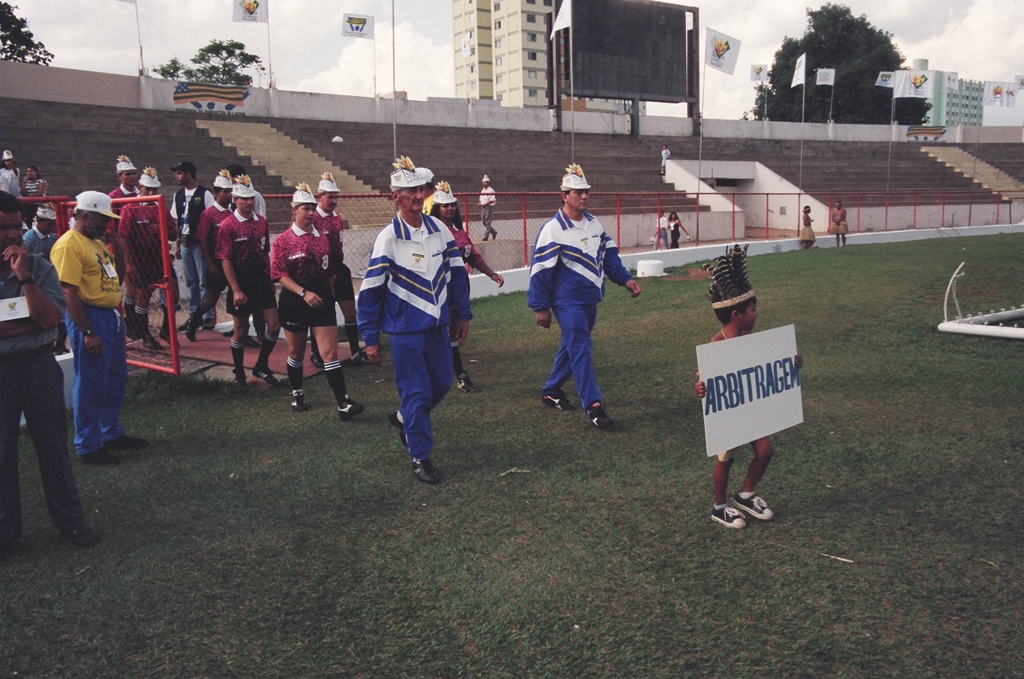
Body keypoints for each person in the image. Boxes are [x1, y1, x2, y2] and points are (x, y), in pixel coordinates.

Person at [357, 157, 472, 485]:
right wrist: (369, 337)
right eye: (410, 191)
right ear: (395, 196)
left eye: (420, 189)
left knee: (442, 383)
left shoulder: (440, 230)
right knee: (417, 392)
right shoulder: (388, 239)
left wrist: (461, 313)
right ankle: (420, 455)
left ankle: (403, 418)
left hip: (437, 328)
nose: (418, 195)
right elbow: (371, 292)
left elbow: (456, 275)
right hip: (405, 331)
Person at [0, 190, 98, 556]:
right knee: (2, 451)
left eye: (16, 227)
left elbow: (50, 320)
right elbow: (32, 321)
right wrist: (25, 322)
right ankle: (6, 533)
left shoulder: (38, 267)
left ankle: (70, 521)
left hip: (38, 365)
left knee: (53, 447)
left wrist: (24, 278)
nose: (12, 235)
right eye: (3, 228)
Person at [694, 244, 802, 529]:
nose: (756, 314)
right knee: (726, 460)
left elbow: (767, 368)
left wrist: (791, 364)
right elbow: (704, 379)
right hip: (730, 413)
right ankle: (720, 508)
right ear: (736, 315)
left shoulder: (755, 341)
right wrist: (701, 389)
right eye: (753, 310)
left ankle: (746, 494)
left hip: (752, 408)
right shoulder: (717, 345)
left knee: (765, 451)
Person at [527, 164, 641, 429]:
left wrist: (625, 279)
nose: (584, 196)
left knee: (572, 345)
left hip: (590, 301)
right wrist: (540, 307)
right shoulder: (552, 229)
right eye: (577, 192)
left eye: (586, 192)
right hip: (567, 303)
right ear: (564, 196)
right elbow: (540, 272)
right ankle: (593, 407)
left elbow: (609, 256)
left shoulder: (593, 223)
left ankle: (551, 390)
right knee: (581, 348)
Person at [50, 191, 149, 465]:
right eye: (103, 220)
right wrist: (87, 331)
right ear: (84, 217)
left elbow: (115, 276)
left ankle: (110, 431)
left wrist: (118, 245)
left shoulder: (95, 242)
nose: (107, 225)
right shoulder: (70, 245)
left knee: (115, 376)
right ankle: (88, 444)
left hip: (109, 315)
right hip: (89, 316)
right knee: (91, 380)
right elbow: (68, 291)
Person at [271, 183, 364, 419]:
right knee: (297, 352)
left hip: (321, 298)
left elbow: (328, 268)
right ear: (294, 210)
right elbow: (279, 274)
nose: (311, 213)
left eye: (313, 208)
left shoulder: (322, 236)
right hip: (295, 300)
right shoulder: (283, 240)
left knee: (329, 353)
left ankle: (343, 403)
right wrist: (303, 293)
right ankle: (297, 391)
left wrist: (328, 292)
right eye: (305, 208)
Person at [430, 180, 504, 393]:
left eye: (452, 204)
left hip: (459, 286)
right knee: (442, 331)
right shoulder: (431, 231)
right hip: (439, 288)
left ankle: (456, 373)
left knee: (453, 329)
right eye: (445, 205)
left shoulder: (459, 232)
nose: (450, 208)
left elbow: (473, 256)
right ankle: (459, 374)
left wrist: (491, 274)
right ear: (437, 208)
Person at [215, 175, 281, 385]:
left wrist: (270, 276)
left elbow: (265, 251)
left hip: (260, 279)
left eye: (251, 198)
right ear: (235, 200)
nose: (249, 202)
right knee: (241, 330)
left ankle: (261, 365)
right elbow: (225, 259)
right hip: (241, 281)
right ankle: (239, 372)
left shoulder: (261, 222)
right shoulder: (228, 225)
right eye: (244, 199)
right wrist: (235, 289)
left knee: (273, 326)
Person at [312, 172, 370, 367]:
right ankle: (317, 353)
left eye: (336, 196)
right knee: (322, 314)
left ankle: (355, 351)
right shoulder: (313, 217)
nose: (334, 201)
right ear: (320, 197)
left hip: (339, 268)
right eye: (330, 197)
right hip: (322, 272)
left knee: (350, 312)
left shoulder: (336, 217)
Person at [118, 167, 177, 350]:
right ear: (140, 188)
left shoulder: (161, 207)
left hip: (159, 254)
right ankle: (144, 334)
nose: (151, 193)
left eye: (154, 190)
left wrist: (162, 230)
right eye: (147, 189)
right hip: (139, 255)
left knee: (172, 292)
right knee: (142, 296)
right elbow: (124, 237)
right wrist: (128, 263)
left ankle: (167, 330)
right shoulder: (130, 208)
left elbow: (174, 234)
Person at [184, 169, 234, 341]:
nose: (228, 196)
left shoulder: (233, 212)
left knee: (236, 295)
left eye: (230, 192)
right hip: (216, 261)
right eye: (225, 192)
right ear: (216, 194)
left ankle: (239, 328)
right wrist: (210, 264)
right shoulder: (209, 213)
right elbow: (203, 239)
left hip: (232, 262)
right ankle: (194, 322)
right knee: (210, 299)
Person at [170, 161, 215, 331]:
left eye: (180, 173)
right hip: (185, 241)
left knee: (203, 280)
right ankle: (193, 314)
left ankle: (207, 315)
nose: (176, 176)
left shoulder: (204, 193)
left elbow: (211, 218)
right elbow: (177, 221)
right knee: (191, 280)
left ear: (189, 174)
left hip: (199, 243)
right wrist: (177, 245)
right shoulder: (179, 194)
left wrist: (207, 247)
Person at [479, 175, 498, 241]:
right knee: (484, 221)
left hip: (489, 207)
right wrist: (480, 203)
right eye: (483, 182)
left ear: (488, 183)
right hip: (483, 207)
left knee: (488, 221)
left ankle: (485, 236)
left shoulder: (491, 190)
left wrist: (485, 204)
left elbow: (492, 200)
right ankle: (493, 232)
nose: (483, 183)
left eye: (484, 182)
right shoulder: (483, 190)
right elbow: (481, 198)